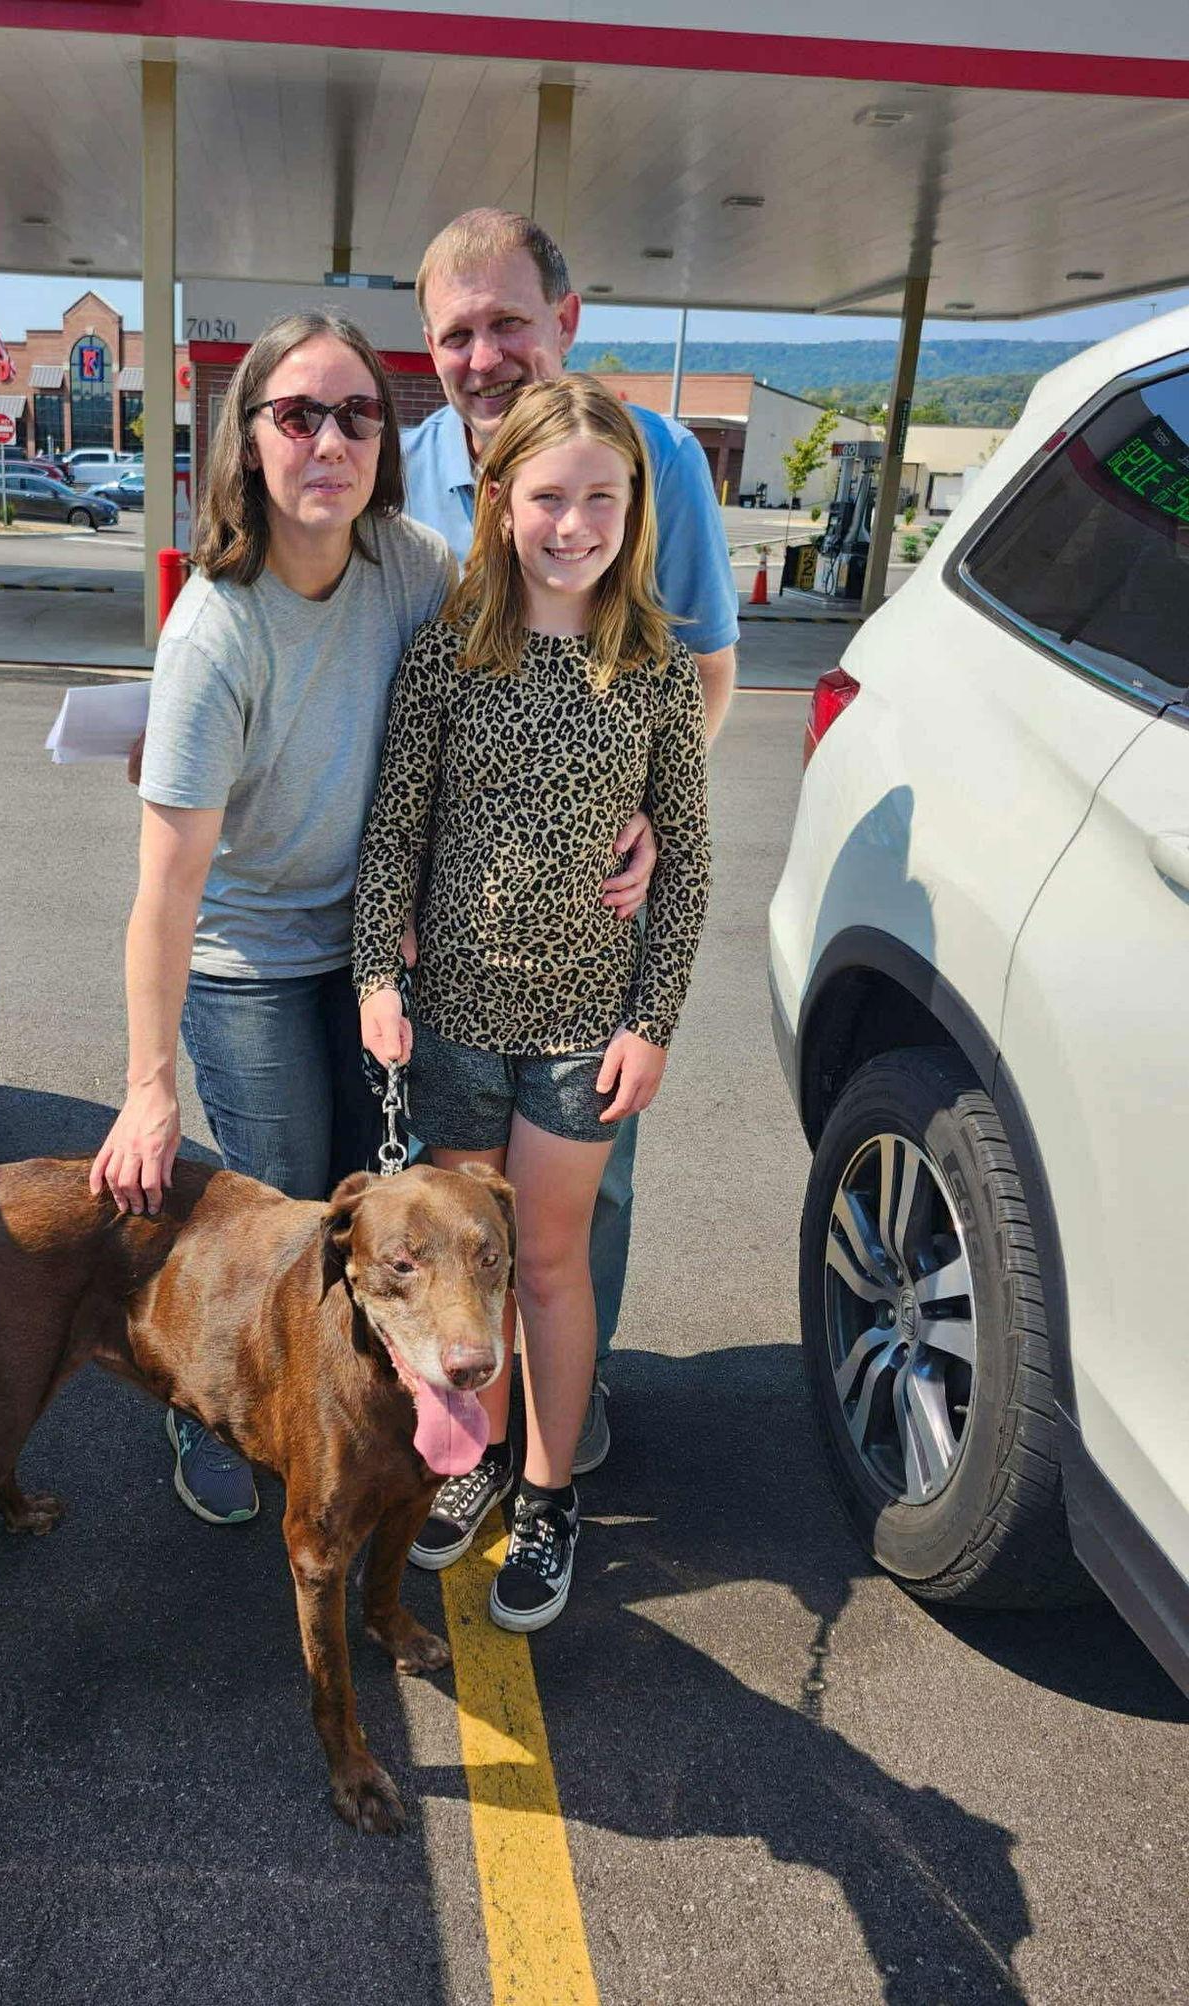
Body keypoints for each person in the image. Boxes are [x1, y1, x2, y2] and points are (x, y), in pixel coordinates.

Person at [93, 310, 657, 1527]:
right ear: (249, 442)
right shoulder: (215, 632)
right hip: (248, 960)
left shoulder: (407, 564)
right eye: (297, 414)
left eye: (356, 413)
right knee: (280, 1212)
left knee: (384, 1224)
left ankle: (376, 1416)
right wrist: (148, 1085)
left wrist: (640, 806)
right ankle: (209, 1408)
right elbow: (165, 892)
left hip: (377, 956)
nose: (329, 439)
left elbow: (517, 688)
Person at [355, 376, 711, 1632]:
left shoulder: (656, 670)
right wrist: (377, 978)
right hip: (453, 1019)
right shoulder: (449, 653)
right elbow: (395, 830)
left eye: (599, 498)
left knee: (550, 1262)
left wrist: (651, 1021)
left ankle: (548, 1492)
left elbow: (686, 862)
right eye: (547, 497)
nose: (572, 524)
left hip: (579, 1032)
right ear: (500, 502)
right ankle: (482, 1463)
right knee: (473, 1275)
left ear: (632, 508)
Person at [400, 208, 738, 1474]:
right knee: (443, 1204)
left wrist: (650, 802)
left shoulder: (653, 463)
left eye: (508, 325)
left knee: (578, 1206)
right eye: (455, 333)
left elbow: (703, 664)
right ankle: (464, 1427)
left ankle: (558, 1414)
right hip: (445, 947)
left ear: (566, 322)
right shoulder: (405, 470)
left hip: (585, 954)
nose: (483, 356)